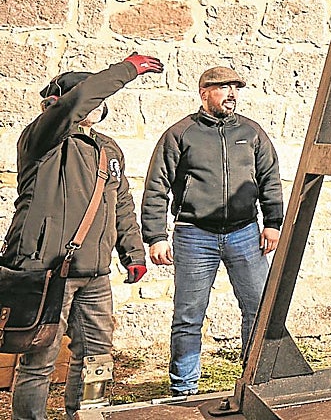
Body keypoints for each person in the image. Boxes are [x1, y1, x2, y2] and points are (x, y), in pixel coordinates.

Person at [4, 54, 161, 420]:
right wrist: (125, 70)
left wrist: (132, 253)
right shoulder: (42, 138)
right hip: (46, 270)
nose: (96, 105)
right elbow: (76, 102)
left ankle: (87, 414)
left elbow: (120, 203)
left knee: (96, 357)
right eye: (90, 99)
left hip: (94, 273)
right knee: (39, 357)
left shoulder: (108, 149)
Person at [141, 67, 285, 397]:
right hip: (194, 235)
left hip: (245, 233)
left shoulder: (252, 133)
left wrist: (274, 223)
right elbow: (156, 187)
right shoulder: (180, 134)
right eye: (223, 87)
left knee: (259, 309)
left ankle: (255, 382)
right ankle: (183, 389)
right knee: (188, 316)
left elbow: (270, 181)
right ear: (204, 92)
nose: (232, 93)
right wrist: (156, 236)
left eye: (236, 87)